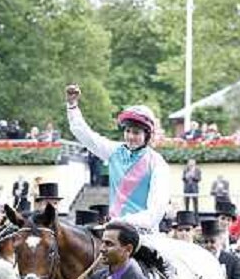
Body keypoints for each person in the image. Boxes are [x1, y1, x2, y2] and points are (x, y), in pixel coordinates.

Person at [65, 84, 169, 232]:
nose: (131, 137)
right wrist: (72, 106)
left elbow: (155, 213)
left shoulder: (157, 163)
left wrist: (121, 221)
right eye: (128, 131)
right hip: (115, 232)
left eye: (136, 133)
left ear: (147, 135)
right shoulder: (115, 151)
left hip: (144, 234)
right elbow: (85, 135)